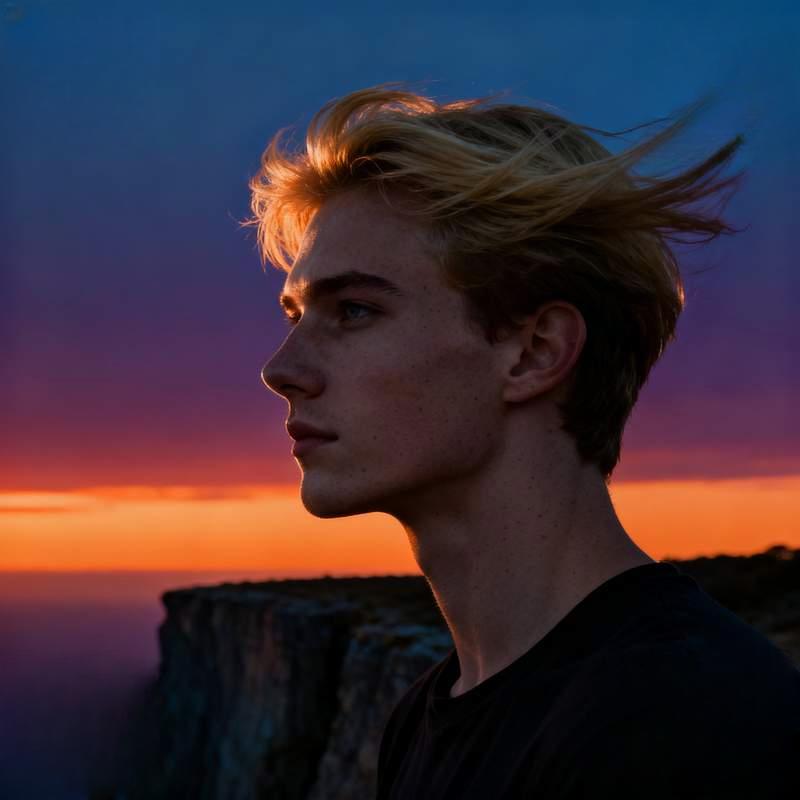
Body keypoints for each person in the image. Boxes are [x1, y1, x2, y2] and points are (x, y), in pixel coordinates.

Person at [250, 84, 800, 798]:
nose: (281, 370)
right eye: (296, 314)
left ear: (535, 352)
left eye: (354, 310)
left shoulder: (686, 721)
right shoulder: (425, 717)